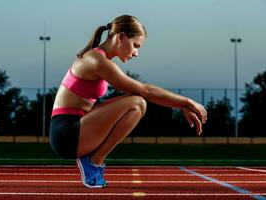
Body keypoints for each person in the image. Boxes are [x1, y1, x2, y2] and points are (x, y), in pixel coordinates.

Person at [49, 15, 207, 188]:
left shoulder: (99, 59)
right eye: (135, 46)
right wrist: (187, 102)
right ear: (121, 37)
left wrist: (182, 104)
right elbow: (145, 91)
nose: (136, 53)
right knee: (137, 103)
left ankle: (92, 160)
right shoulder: (96, 61)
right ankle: (93, 162)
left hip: (74, 129)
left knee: (137, 103)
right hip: (66, 134)